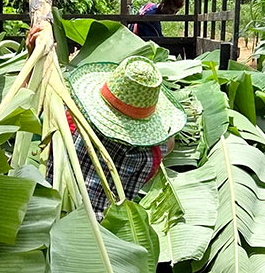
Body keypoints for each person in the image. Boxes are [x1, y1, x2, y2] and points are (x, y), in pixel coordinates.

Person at [66, 52, 186, 218]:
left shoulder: (73, 124)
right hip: (105, 230)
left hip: (59, 213)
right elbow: (168, 144)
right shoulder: (149, 158)